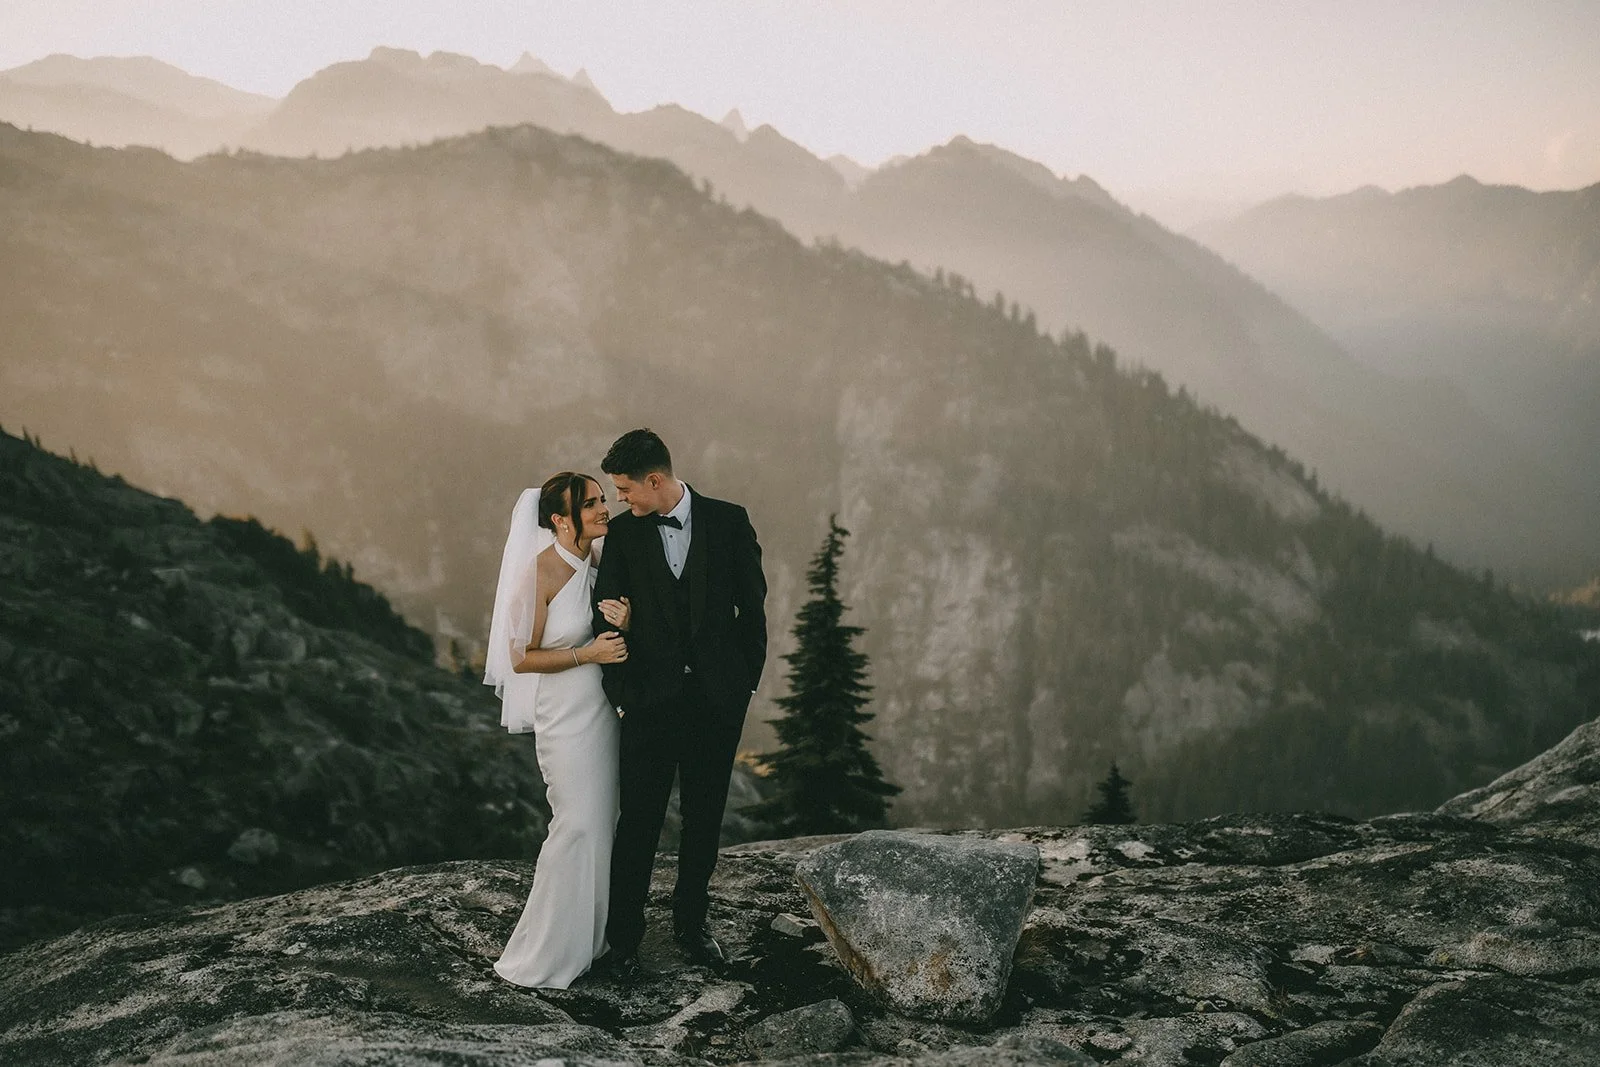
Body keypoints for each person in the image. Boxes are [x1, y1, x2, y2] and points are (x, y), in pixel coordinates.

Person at [591, 429, 768, 973]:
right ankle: (624, 941)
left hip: (716, 703)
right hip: (648, 702)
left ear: (654, 480)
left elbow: (753, 609)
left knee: (704, 818)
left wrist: (743, 688)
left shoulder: (729, 521)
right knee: (638, 821)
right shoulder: (623, 535)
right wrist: (623, 695)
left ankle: (692, 924)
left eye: (624, 489)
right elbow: (605, 615)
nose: (620, 499)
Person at [483, 473, 632, 990]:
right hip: (564, 713)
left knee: (603, 820)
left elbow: (612, 625)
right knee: (576, 821)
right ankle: (547, 950)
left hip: (601, 710)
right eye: (589, 504)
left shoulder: (598, 561)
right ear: (560, 520)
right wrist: (586, 654)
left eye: (601, 499)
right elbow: (520, 657)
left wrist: (626, 621)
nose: (603, 508)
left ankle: (590, 940)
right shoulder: (540, 571)